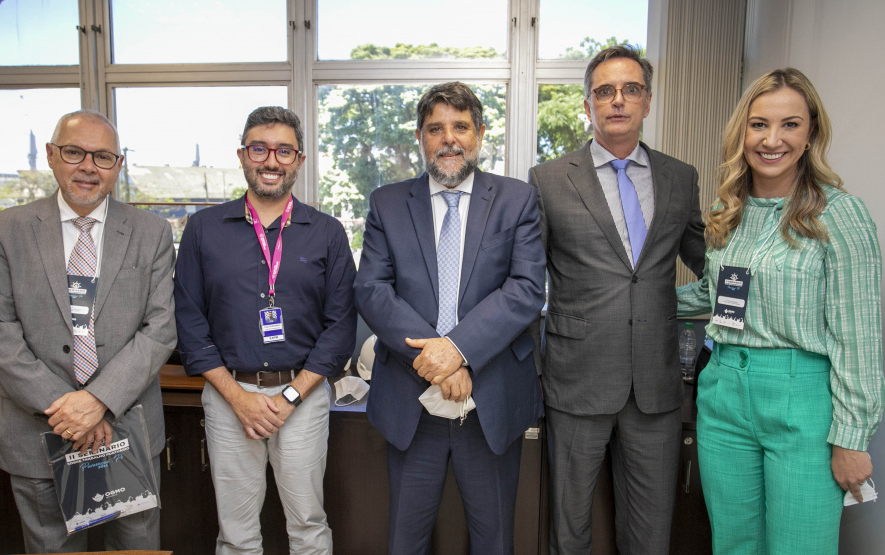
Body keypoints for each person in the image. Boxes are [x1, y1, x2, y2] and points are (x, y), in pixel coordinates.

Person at [677, 67, 884, 554]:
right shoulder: (728, 212)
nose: (772, 139)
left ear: (811, 132)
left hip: (803, 401)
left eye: (790, 124)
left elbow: (860, 338)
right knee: (733, 545)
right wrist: (629, 296)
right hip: (723, 394)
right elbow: (715, 294)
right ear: (741, 133)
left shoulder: (838, 214)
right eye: (758, 125)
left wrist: (853, 437)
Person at [528, 45, 706, 554]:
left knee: (651, 532)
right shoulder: (549, 179)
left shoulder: (680, 177)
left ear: (647, 101)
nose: (618, 101)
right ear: (588, 106)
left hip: (656, 383)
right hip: (575, 379)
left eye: (630, 89)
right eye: (604, 91)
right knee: (569, 527)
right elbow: (526, 281)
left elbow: (707, 257)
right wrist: (537, 369)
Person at [354, 81, 546, 554]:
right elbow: (372, 290)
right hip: (410, 398)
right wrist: (438, 359)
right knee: (406, 539)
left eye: (460, 127)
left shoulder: (517, 199)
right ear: (421, 137)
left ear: (479, 134)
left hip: (491, 400)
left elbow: (525, 291)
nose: (449, 139)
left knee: (494, 540)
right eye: (435, 128)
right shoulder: (387, 203)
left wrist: (459, 352)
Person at [0, 110, 176, 552]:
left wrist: (98, 401)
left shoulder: (152, 232)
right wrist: (69, 410)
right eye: (74, 152)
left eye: (103, 157)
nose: (88, 166)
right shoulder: (5, 231)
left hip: (124, 428)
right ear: (51, 156)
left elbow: (160, 327)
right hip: (38, 432)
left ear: (118, 166)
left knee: (135, 548)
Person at [174, 106, 356, 555]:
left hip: (302, 397)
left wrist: (289, 397)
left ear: (299, 160)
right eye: (259, 148)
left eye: (283, 151)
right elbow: (189, 321)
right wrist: (239, 399)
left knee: (309, 526)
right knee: (236, 534)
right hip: (228, 397)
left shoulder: (328, 233)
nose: (271, 160)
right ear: (242, 155)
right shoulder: (202, 230)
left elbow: (340, 327)